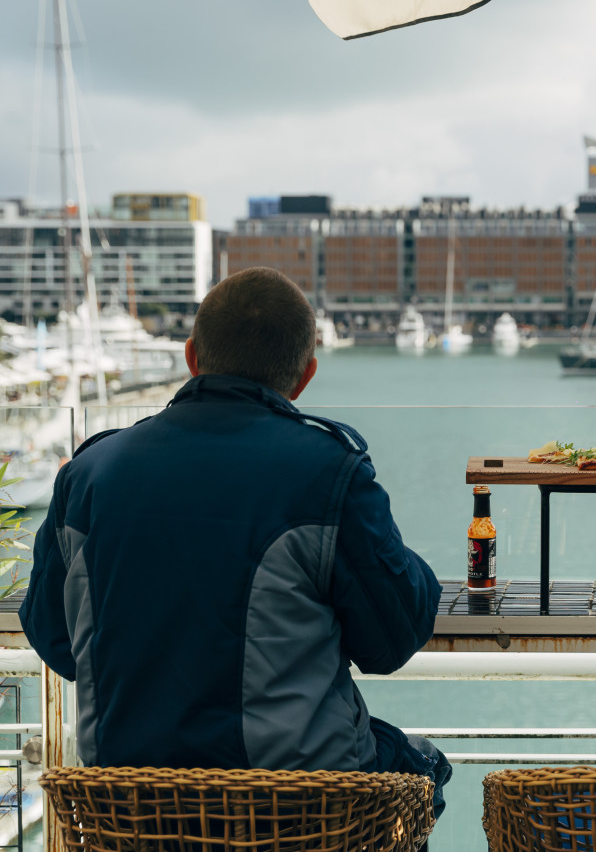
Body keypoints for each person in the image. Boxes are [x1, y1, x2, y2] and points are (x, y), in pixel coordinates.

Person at [20, 267, 451, 817]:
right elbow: (392, 639)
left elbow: (54, 639)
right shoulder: (330, 473)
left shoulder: (87, 475)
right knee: (423, 766)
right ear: (304, 376)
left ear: (192, 357)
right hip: (297, 810)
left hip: (130, 805)